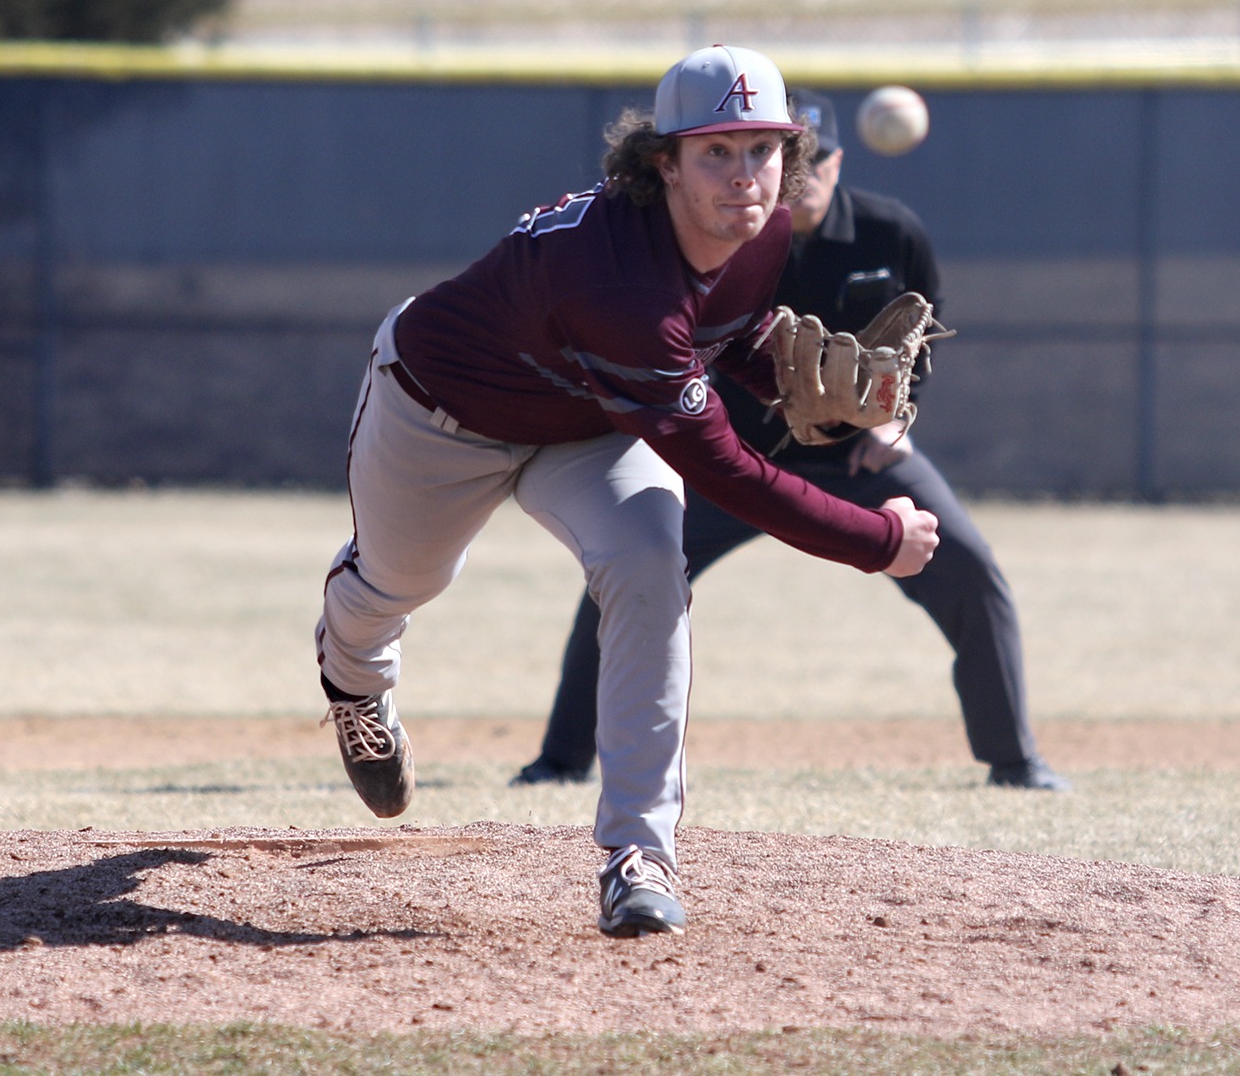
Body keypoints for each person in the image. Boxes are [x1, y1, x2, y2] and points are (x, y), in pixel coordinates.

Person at [314, 48, 941, 939]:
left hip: (594, 425)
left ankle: (638, 854)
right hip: (442, 411)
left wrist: (787, 378)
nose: (743, 176)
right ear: (663, 163)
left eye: (761, 149)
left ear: (789, 156)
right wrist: (875, 540)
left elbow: (736, 325)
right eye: (714, 152)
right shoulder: (619, 285)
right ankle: (353, 679)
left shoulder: (761, 232)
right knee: (396, 586)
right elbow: (725, 469)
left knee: (652, 568)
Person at [512, 88, 1069, 794]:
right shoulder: (727, 234)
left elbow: (923, 336)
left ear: (830, 161)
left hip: (856, 455)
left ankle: (1015, 760)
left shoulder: (888, 231)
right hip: (730, 459)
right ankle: (560, 760)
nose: (795, 179)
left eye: (807, 160)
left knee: (968, 567)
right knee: (626, 577)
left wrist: (897, 422)